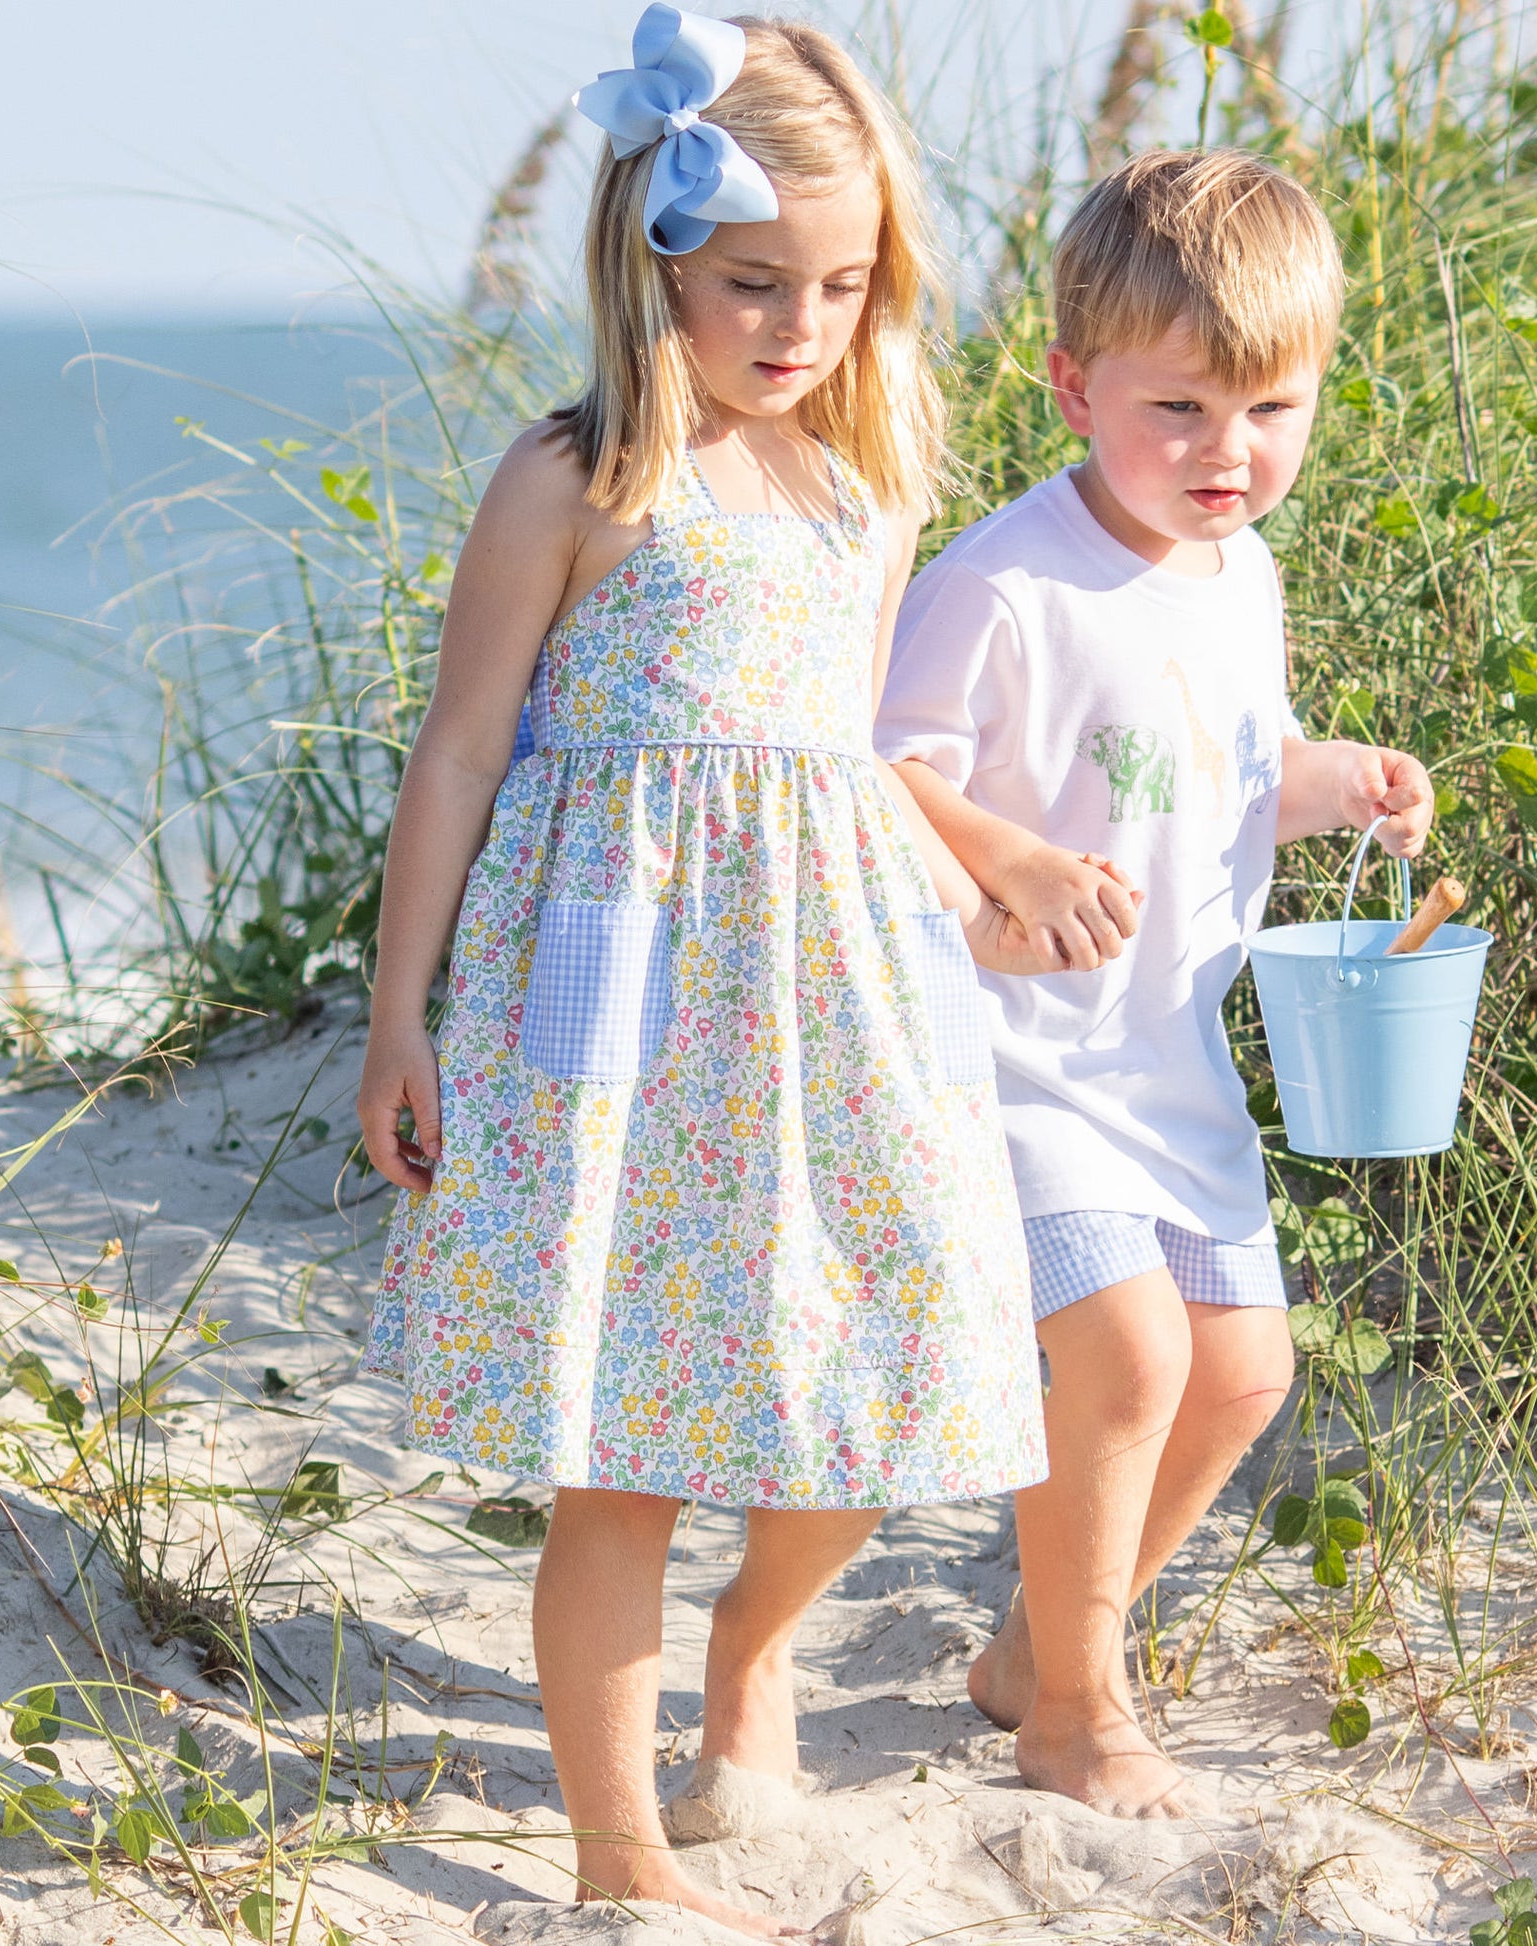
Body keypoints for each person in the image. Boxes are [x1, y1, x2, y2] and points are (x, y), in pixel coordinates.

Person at [356, 7, 1048, 1932]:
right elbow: (463, 751)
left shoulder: (867, 478)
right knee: (620, 1445)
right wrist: (399, 1011)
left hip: (836, 997)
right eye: (756, 281)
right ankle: (616, 1847)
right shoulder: (576, 478)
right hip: (614, 1005)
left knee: (887, 1365)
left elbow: (847, 757)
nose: (800, 323)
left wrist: (981, 864)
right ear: (652, 249)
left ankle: (756, 1652)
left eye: (842, 284)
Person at [877, 147, 1435, 1820]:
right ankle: (1071, 1704)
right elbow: (873, 777)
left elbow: (1214, 764)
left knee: (1245, 1371)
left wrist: (1336, 782)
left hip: (1168, 1057)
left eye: (1270, 408)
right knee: (1124, 1360)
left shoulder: (1238, 570)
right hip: (1014, 1054)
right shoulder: (1002, 582)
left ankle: (1040, 1639)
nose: (1227, 453)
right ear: (1070, 385)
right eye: (1178, 408)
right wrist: (1013, 867)